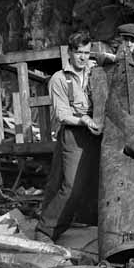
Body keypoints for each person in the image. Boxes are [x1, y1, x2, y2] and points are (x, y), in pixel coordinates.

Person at [36, 30, 102, 241]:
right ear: (70, 53)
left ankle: (91, 222)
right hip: (75, 134)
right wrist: (83, 120)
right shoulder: (59, 79)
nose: (83, 57)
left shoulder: (96, 73)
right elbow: (62, 114)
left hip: (98, 134)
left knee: (94, 182)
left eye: (87, 52)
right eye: (79, 53)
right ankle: (46, 230)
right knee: (71, 185)